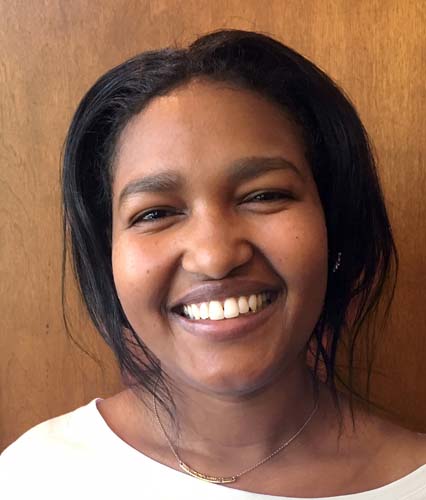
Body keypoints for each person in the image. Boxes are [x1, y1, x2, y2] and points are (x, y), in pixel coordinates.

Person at [1, 28, 425, 499]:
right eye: (154, 213)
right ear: (110, 256)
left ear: (333, 224)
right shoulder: (35, 477)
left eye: (264, 195)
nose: (215, 257)